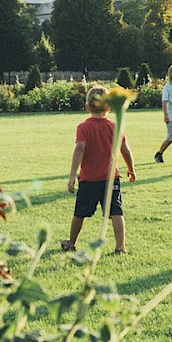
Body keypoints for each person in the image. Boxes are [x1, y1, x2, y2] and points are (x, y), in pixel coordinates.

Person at [62, 86, 135, 254]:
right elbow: (125, 150)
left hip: (89, 179)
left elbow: (79, 149)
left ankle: (71, 243)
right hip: (111, 179)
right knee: (116, 212)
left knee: (80, 213)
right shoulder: (115, 126)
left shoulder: (83, 127)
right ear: (109, 107)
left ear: (87, 107)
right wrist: (131, 169)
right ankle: (120, 247)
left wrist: (73, 175)